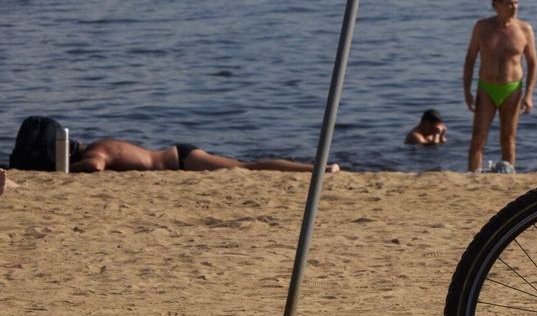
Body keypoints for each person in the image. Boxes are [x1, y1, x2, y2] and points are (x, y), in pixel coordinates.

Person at [464, 0, 537, 173]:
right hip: (486, 88)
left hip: (512, 89)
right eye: (508, 3)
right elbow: (470, 59)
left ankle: (508, 176)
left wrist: (529, 95)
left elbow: (532, 63)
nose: (514, 7)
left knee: (508, 138)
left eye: (516, 3)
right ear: (495, 5)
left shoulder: (524, 29)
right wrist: (467, 92)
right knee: (478, 137)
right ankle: (473, 176)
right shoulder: (482, 27)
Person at [67, 138, 338, 174]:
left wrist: (67, 171)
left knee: (250, 167)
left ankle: (317, 170)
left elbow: (95, 167)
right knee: (249, 166)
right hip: (177, 157)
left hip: (182, 161)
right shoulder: (99, 142)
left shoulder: (94, 151)